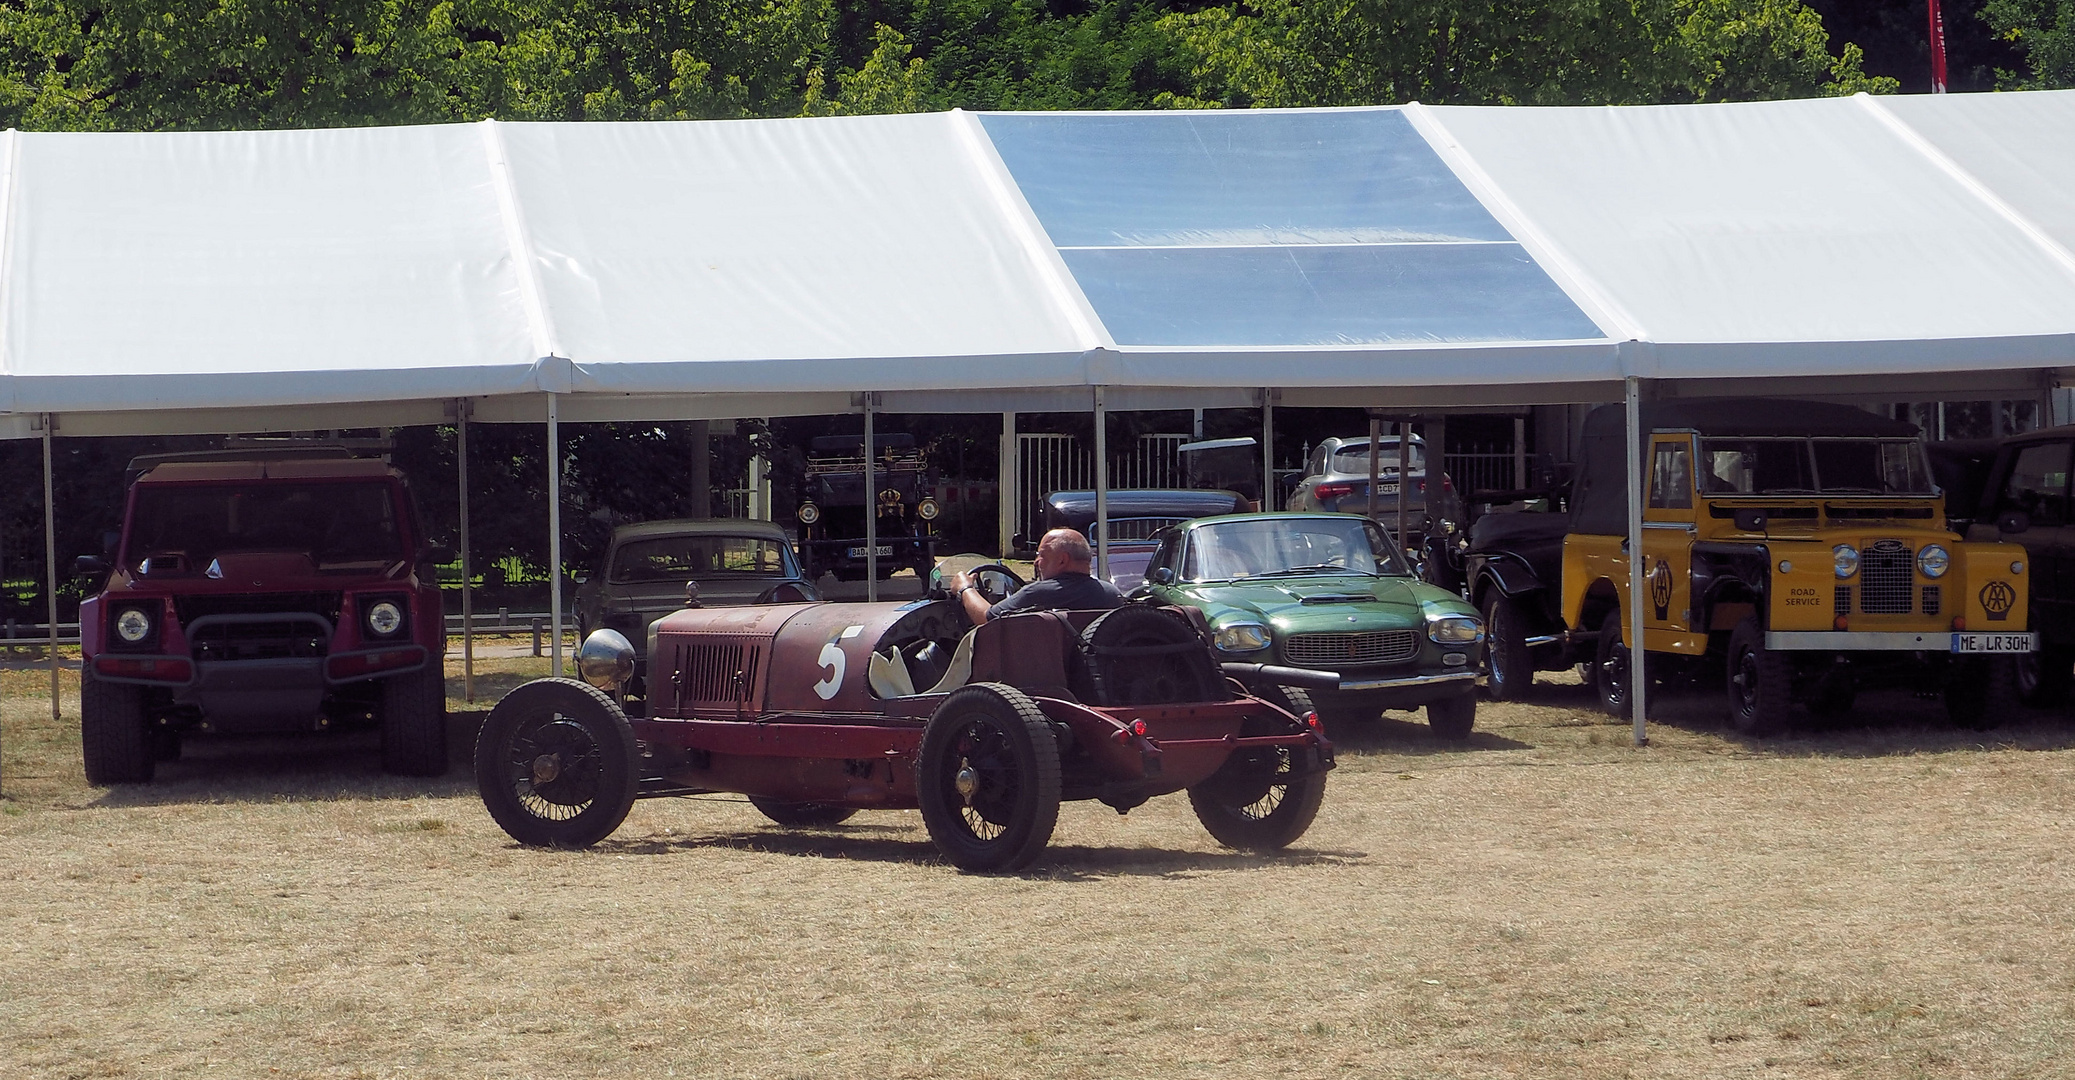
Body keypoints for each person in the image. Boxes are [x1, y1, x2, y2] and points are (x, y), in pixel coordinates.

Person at [949, 528, 1123, 626]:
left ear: (1062, 560)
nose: (1036, 562)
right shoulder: (1111, 594)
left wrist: (965, 588)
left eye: (1042, 555)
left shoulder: (1040, 593)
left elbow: (987, 620)